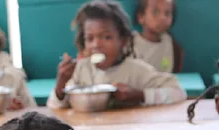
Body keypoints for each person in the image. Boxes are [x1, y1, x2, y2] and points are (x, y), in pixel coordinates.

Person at [47, 0, 186, 110]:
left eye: (106, 37)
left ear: (123, 41)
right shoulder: (80, 70)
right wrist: (61, 83)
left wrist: (140, 95)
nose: (97, 45)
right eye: (90, 39)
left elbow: (179, 93)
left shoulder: (136, 70)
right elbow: (54, 106)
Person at [133, 0, 183, 73]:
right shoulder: (129, 43)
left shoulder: (174, 47)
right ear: (141, 17)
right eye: (155, 12)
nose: (162, 18)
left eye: (167, 13)